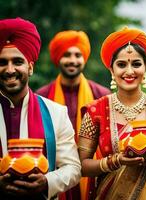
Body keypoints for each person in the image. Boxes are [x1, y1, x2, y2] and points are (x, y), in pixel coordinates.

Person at [78, 27, 146, 200]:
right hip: (112, 193)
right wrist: (116, 161)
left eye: (136, 64)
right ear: (111, 70)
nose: (129, 71)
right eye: (121, 64)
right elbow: (82, 166)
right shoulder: (95, 111)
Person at [0, 18, 81, 199]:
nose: (10, 69)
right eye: (3, 62)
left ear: (30, 67)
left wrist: (47, 182)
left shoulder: (56, 112)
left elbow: (73, 168)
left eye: (17, 62)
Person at [36, 30, 110, 200]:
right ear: (58, 59)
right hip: (55, 174)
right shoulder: (42, 97)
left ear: (84, 58)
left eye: (77, 54)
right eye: (66, 55)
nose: (72, 60)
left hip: (94, 175)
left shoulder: (100, 95)